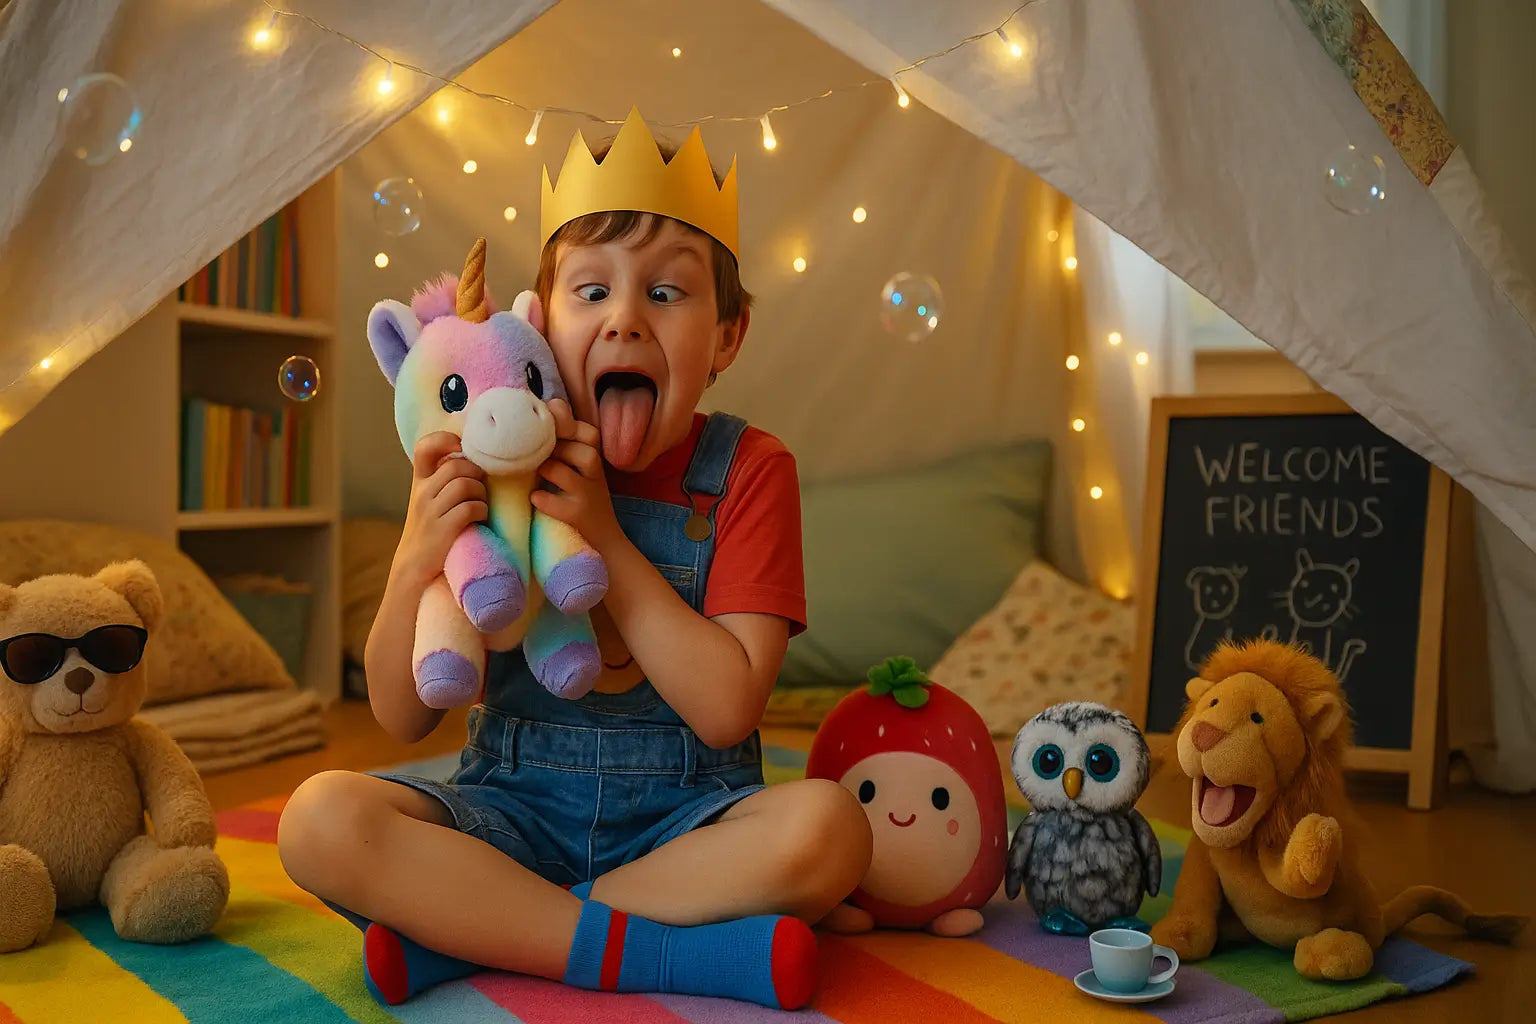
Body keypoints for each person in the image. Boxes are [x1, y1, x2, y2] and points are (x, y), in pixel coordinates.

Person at [276, 109, 873, 1011]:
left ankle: (488, 932)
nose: (626, 320)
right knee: (318, 817)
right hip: (508, 811)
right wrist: (414, 559)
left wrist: (605, 535)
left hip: (690, 824)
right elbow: (400, 720)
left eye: (666, 294)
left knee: (830, 829)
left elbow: (724, 710)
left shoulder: (751, 470)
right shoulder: (477, 458)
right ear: (540, 327)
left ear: (728, 337)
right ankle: (647, 954)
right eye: (591, 292)